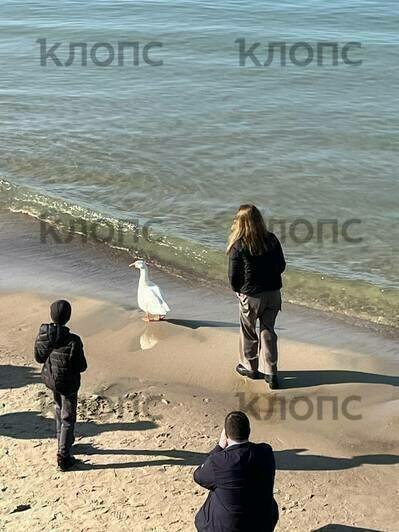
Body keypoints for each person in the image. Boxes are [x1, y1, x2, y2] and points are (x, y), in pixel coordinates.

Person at [227, 204, 286, 390]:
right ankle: (271, 372)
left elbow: (233, 275)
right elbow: (281, 266)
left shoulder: (239, 245)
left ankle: (250, 366)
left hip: (251, 295)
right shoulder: (272, 240)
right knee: (268, 330)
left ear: (240, 223)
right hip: (273, 294)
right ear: (259, 219)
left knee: (248, 331)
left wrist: (238, 290)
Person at [194, 411, 278, 532]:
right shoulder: (266, 451)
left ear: (226, 435)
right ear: (249, 431)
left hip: (228, 528)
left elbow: (198, 476)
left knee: (214, 493)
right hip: (263, 524)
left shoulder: (217, 461)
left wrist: (219, 447)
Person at [34, 299, 87, 471]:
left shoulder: (44, 334)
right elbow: (82, 366)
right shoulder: (73, 340)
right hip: (68, 384)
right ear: (68, 317)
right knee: (68, 417)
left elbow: (39, 357)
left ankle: (63, 443)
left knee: (58, 409)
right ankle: (64, 456)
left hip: (51, 379)